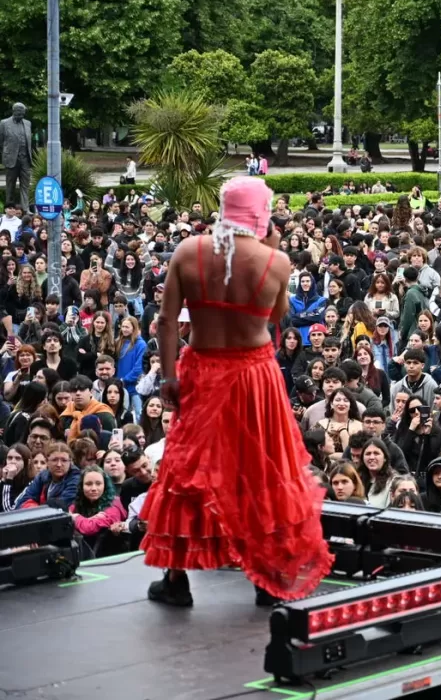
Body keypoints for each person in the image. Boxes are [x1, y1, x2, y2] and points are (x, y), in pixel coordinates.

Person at [138, 178, 332, 607]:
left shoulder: (188, 251)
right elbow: (277, 315)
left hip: (203, 370)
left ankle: (176, 579)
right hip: (254, 376)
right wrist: (272, 246)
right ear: (261, 215)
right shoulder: (276, 262)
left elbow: (166, 322)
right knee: (263, 469)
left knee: (190, 469)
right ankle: (268, 577)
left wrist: (168, 377)